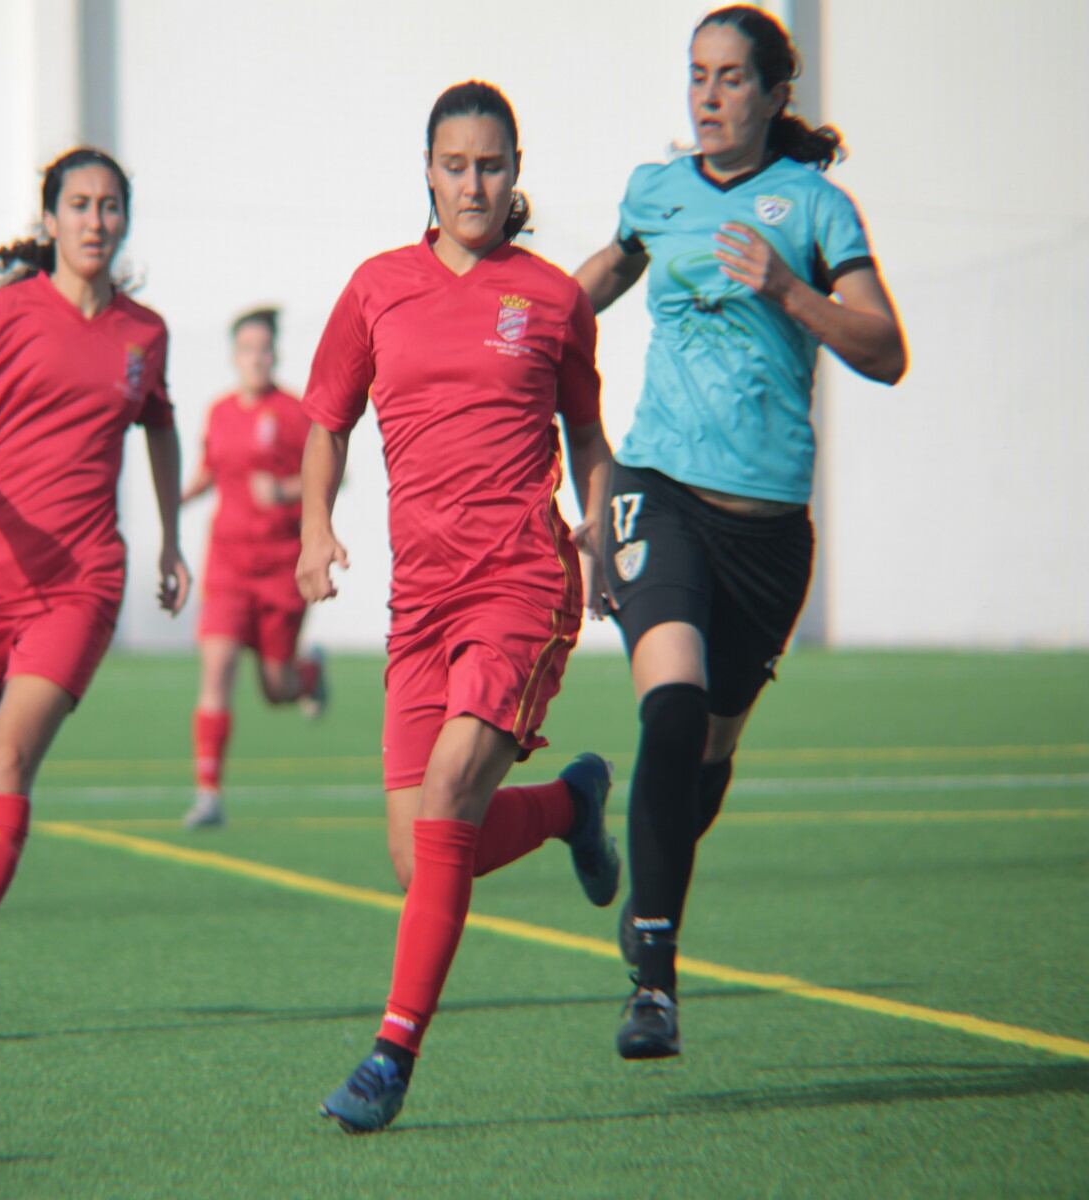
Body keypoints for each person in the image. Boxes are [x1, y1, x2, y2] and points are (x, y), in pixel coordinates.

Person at [573, 5, 907, 1060]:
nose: (707, 97)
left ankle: (652, 876)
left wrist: (790, 290)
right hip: (656, 489)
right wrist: (505, 318)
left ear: (772, 96)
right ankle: (655, 981)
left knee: (705, 751)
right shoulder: (654, 193)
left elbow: (886, 349)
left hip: (765, 538)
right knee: (668, 716)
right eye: (696, 77)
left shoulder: (814, 207)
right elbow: (587, 291)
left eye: (728, 80)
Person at [298, 81, 619, 1134]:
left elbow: (588, 434)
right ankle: (572, 806)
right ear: (426, 175)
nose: (472, 183)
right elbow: (328, 418)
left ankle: (391, 1052)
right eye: (453, 165)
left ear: (514, 171)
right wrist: (314, 528)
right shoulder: (375, 288)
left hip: (521, 584)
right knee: (419, 850)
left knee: (442, 810)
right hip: (419, 602)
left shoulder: (551, 300)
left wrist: (600, 532)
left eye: (490, 164)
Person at [0, 147, 190, 1029]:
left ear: (123, 221)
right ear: (50, 218)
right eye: (80, 205)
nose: (95, 221)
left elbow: (161, 429)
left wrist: (173, 540)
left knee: (12, 760)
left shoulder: (145, 334)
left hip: (82, 580)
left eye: (109, 207)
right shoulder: (1, 314)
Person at [179, 307, 327, 830]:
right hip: (227, 566)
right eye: (247, 349)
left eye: (264, 349)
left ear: (275, 354)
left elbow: (333, 476)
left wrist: (285, 490)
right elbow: (208, 470)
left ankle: (308, 675)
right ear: (234, 356)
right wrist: (178, 496)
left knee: (275, 688)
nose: (256, 358)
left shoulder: (295, 410)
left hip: (280, 569)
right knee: (216, 670)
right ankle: (208, 794)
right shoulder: (219, 412)